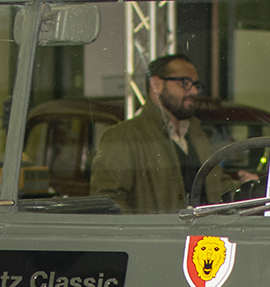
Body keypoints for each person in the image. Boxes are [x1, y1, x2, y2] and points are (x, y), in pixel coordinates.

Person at [91, 55, 236, 214]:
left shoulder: (198, 135)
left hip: (203, 238)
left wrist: (249, 186)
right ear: (156, 85)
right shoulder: (123, 136)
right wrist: (144, 235)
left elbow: (218, 187)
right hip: (156, 238)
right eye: (185, 83)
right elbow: (108, 201)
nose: (194, 91)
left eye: (196, 85)